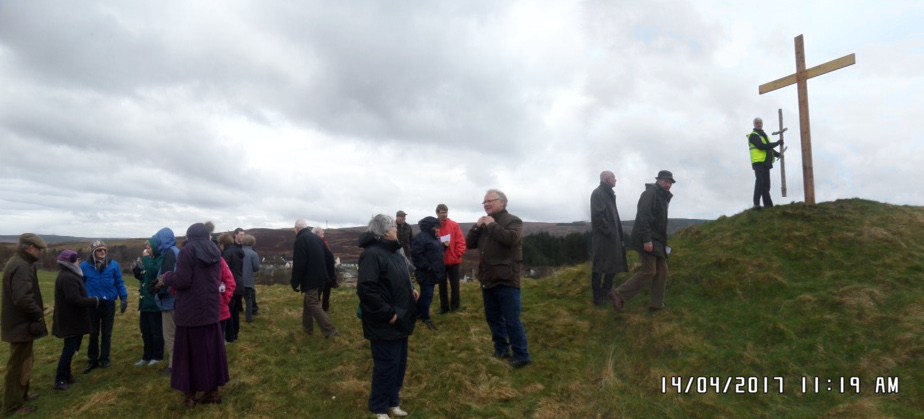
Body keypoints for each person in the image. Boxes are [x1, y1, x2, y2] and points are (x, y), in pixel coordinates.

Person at [356, 214, 419, 419]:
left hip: (401, 317)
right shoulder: (372, 254)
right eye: (392, 226)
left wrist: (410, 290)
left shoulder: (395, 252)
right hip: (385, 321)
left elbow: (399, 278)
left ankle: (393, 402)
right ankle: (379, 407)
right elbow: (367, 289)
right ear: (383, 232)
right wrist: (388, 314)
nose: (396, 229)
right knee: (386, 365)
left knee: (398, 364)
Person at [162, 223, 230, 407]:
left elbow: (183, 280)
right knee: (210, 351)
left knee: (189, 354)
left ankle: (190, 395)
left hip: (190, 311)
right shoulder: (215, 251)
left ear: (190, 236)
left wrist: (167, 277)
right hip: (211, 309)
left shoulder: (187, 251)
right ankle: (212, 392)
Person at [465, 190, 531, 369]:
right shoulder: (485, 223)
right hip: (488, 278)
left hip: (507, 279)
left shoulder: (513, 221)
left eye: (490, 201)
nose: (486, 204)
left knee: (512, 320)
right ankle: (501, 350)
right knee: (493, 318)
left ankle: (522, 355)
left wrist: (492, 225)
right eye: (484, 202)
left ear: (502, 202)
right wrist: (477, 226)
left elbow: (511, 239)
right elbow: (469, 243)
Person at [610, 170, 676, 313]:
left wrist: (664, 242)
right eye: (666, 181)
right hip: (648, 238)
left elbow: (660, 223)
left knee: (662, 271)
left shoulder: (663, 196)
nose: (668, 184)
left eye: (670, 182)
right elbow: (643, 217)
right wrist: (647, 240)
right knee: (649, 271)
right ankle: (619, 294)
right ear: (658, 180)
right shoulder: (650, 194)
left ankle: (656, 304)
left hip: (658, 240)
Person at [2, 234, 48, 415]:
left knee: (25, 361)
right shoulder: (21, 266)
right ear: (29, 248)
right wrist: (38, 314)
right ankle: (13, 405)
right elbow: (22, 298)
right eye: (38, 249)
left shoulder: (19, 262)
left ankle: (22, 395)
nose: (40, 252)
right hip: (20, 325)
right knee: (18, 365)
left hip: (19, 323)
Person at [51, 250, 99, 391]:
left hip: (72, 320)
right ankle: (60, 379)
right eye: (77, 259)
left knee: (71, 348)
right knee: (69, 349)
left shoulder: (69, 275)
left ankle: (67, 376)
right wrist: (94, 301)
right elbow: (74, 299)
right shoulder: (68, 277)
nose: (79, 261)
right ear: (70, 262)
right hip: (70, 320)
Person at [81, 240, 128, 373]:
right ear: (93, 252)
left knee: (106, 333)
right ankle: (92, 359)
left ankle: (105, 358)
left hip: (108, 304)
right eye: (99, 250)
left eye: (104, 250)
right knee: (93, 333)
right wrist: (82, 300)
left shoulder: (114, 265)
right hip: (92, 304)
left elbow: (119, 282)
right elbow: (80, 284)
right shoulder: (84, 266)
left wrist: (124, 298)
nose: (102, 252)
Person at [291, 219, 339, 338]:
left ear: (297, 228)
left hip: (311, 279)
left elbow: (299, 264)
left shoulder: (301, 240)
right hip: (322, 277)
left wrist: (295, 282)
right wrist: (330, 275)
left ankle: (330, 331)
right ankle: (307, 329)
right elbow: (329, 256)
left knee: (312, 302)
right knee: (308, 302)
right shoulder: (317, 239)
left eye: (294, 229)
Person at [589, 170, 628, 306]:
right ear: (606, 179)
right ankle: (598, 298)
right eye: (613, 177)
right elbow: (598, 216)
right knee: (599, 267)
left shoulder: (608, 193)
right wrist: (609, 231)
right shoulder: (598, 193)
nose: (616, 180)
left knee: (612, 266)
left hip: (611, 238)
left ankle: (606, 292)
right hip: (603, 239)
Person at [152, 227, 180, 375]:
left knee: (170, 335)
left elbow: (168, 278)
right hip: (177, 301)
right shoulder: (176, 252)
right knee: (177, 334)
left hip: (170, 302)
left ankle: (173, 366)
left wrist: (159, 292)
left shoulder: (169, 254)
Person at [411, 216, 444, 331]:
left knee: (426, 295)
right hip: (425, 273)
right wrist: (428, 266)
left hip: (433, 272)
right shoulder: (420, 238)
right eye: (436, 227)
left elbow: (435, 251)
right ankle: (425, 317)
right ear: (430, 227)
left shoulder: (434, 237)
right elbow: (416, 255)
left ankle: (417, 313)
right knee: (427, 294)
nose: (438, 229)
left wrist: (444, 247)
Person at [137, 239, 164, 367]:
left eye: (149, 247)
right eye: (146, 247)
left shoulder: (160, 260)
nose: (146, 250)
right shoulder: (150, 260)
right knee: (145, 331)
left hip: (154, 303)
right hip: (145, 302)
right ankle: (147, 356)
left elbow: (153, 272)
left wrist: (146, 259)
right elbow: (145, 277)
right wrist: (138, 272)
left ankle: (157, 356)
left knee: (155, 331)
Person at [436, 204, 466, 314]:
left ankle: (455, 307)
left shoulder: (454, 225)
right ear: (437, 213)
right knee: (442, 286)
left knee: (455, 285)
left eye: (445, 212)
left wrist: (458, 254)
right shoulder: (434, 226)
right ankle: (444, 308)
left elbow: (461, 241)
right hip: (440, 261)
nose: (444, 214)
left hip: (453, 261)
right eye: (442, 212)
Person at [748, 117, 783, 210]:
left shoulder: (764, 135)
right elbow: (761, 146)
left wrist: (777, 154)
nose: (759, 124)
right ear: (754, 125)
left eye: (760, 123)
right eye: (757, 123)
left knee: (766, 184)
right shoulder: (753, 135)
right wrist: (777, 143)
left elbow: (768, 148)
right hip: (758, 162)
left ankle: (768, 205)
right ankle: (756, 204)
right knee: (760, 181)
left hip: (766, 162)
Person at [219, 232, 244, 343]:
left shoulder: (226, 254)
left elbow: (224, 272)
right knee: (235, 312)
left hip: (231, 285)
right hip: (239, 283)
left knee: (228, 312)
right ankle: (235, 334)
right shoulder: (239, 252)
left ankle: (230, 336)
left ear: (222, 243)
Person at [311, 227, 337, 312]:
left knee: (327, 289)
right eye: (321, 231)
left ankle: (325, 307)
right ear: (316, 234)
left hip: (328, 270)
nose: (323, 232)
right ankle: (318, 308)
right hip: (322, 270)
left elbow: (329, 255)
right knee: (319, 290)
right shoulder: (317, 243)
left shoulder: (324, 242)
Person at [241, 234, 261, 323]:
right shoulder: (253, 254)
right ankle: (249, 318)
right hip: (248, 280)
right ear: (252, 243)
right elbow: (256, 267)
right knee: (248, 300)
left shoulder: (237, 251)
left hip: (236, 279)